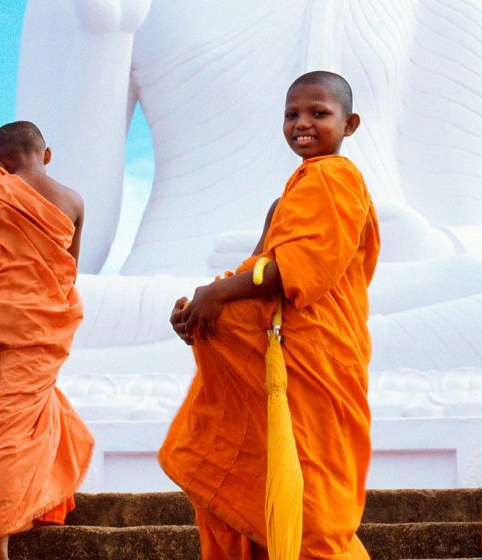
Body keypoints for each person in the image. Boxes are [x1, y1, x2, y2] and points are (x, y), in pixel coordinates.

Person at [160, 71, 379, 559]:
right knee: (263, 483)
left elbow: (300, 270)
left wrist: (215, 296)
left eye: (318, 113)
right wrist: (204, 304)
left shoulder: (338, 178)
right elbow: (258, 269)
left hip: (318, 357)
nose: (302, 124)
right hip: (282, 359)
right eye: (291, 114)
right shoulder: (287, 197)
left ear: (350, 124)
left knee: (312, 510)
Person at [0, 122, 94, 560]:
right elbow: (68, 269)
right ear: (46, 154)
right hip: (36, 325)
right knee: (18, 426)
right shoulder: (72, 200)